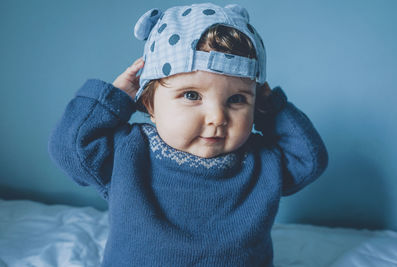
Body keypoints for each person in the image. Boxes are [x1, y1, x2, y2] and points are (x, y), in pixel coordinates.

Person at [48, 3, 328, 266]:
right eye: (192, 95)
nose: (217, 117)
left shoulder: (260, 161)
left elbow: (310, 160)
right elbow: (71, 148)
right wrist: (114, 99)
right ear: (149, 104)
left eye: (237, 100)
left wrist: (273, 108)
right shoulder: (130, 151)